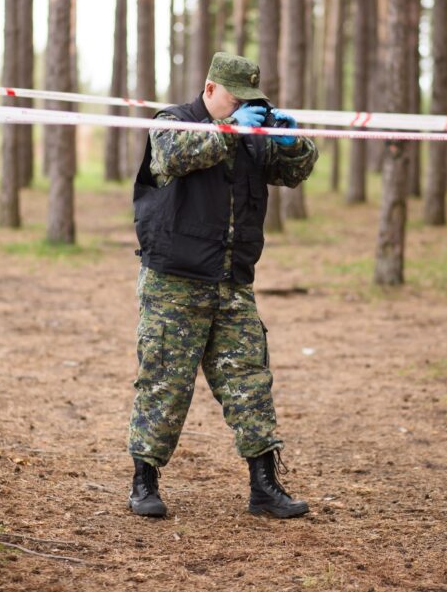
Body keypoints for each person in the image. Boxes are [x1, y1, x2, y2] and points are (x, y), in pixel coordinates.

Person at [128, 52, 318, 519]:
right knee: (165, 385)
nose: (241, 110)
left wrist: (292, 142)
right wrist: (230, 132)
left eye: (249, 104)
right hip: (175, 281)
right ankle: (144, 483)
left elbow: (295, 171)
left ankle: (264, 485)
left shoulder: (250, 134)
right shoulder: (175, 122)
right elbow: (170, 157)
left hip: (232, 282)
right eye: (235, 101)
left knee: (250, 383)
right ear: (210, 90)